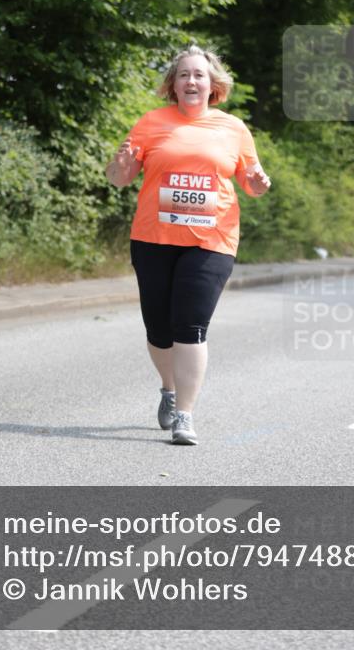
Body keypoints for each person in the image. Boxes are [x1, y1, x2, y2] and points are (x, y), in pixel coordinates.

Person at [105, 44, 271, 445]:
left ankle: (185, 415)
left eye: (199, 75)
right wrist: (122, 166)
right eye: (184, 75)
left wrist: (259, 183)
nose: (191, 81)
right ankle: (169, 388)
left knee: (191, 326)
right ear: (173, 85)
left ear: (213, 84)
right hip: (153, 238)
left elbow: (250, 182)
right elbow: (118, 177)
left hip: (212, 240)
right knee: (158, 330)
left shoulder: (233, 129)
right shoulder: (151, 123)